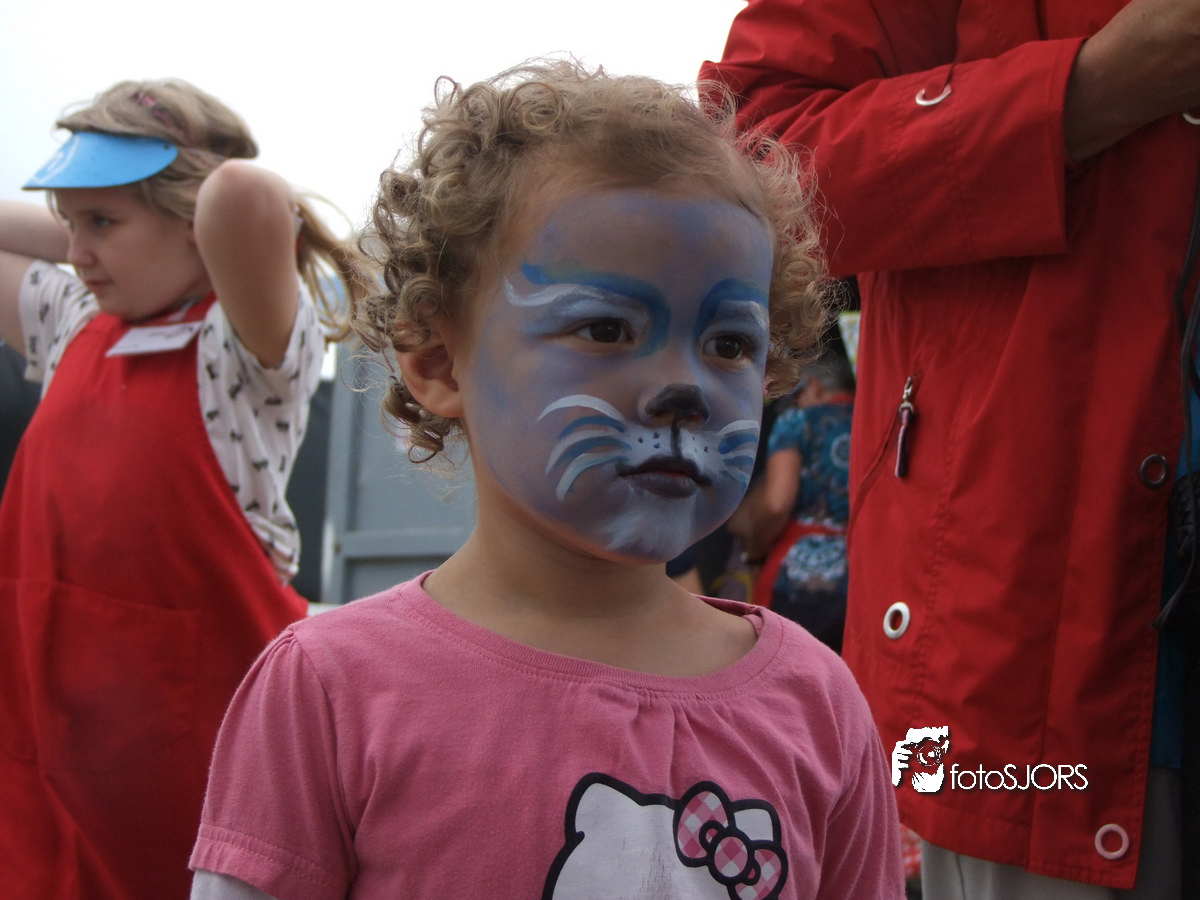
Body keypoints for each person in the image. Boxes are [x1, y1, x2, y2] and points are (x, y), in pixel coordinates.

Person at [187, 59, 905, 900]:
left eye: (730, 344)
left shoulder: (817, 704)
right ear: (436, 362)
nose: (684, 389)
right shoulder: (328, 689)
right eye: (605, 329)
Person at [702, 0, 1200, 897]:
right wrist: (1091, 92)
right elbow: (756, 160)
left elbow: (769, 505)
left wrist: (742, 539)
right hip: (1040, 679)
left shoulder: (797, 426)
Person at [0, 79, 359, 899]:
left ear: (194, 218)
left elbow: (246, 194)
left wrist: (185, 178)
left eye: (103, 223)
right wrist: (94, 219)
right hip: (49, 759)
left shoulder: (245, 348)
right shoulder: (73, 321)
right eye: (68, 224)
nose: (77, 253)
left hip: (195, 770)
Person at [727, 352, 854, 652]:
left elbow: (776, 504)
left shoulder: (797, 422)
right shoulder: (877, 421)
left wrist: (755, 554)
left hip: (798, 577)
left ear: (815, 386)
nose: (795, 402)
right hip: (864, 575)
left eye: (798, 393)